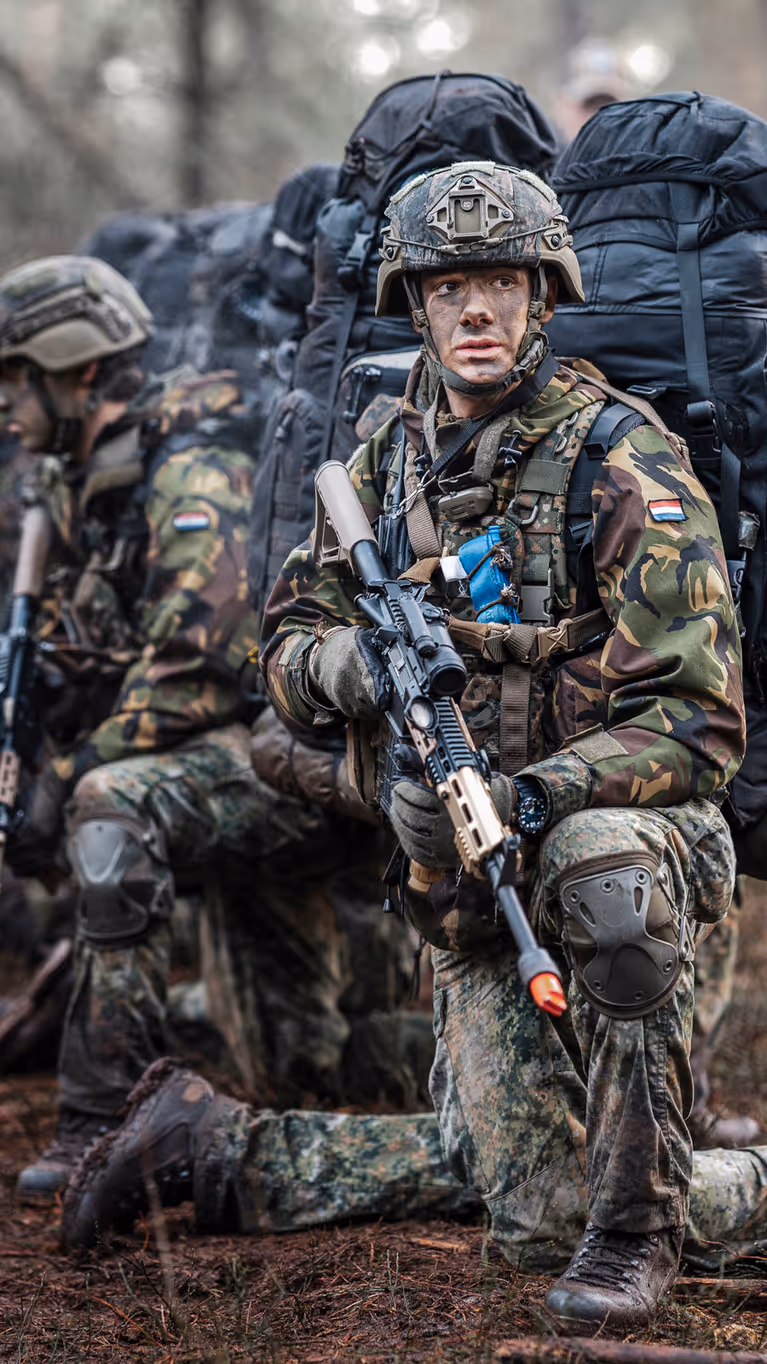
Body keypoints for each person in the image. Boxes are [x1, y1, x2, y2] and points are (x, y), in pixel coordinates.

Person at [60, 166, 764, 1338]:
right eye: (448, 288)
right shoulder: (384, 461)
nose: (474, 312)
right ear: (416, 303)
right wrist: (349, 668)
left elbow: (699, 722)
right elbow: (279, 651)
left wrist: (536, 795)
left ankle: (638, 1232)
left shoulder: (621, 459)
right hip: (463, 880)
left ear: (544, 297)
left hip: (623, 853)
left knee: (600, 866)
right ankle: (608, 1188)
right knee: (533, 1217)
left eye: (499, 283)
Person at [0, 256, 413, 1203]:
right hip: (221, 785)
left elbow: (200, 665)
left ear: (82, 374)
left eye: (16, 376)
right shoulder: (71, 486)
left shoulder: (193, 470)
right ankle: (529, 1066)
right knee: (315, 1063)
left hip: (284, 765)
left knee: (111, 811)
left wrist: (72, 773)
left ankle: (100, 1119)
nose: (6, 404)